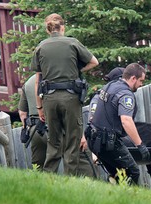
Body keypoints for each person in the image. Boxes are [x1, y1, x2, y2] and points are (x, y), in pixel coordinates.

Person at [32, 13, 99, 175]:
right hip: (70, 98)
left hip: (49, 99)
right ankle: (70, 180)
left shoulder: (41, 47)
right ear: (63, 27)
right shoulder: (72, 43)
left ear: (48, 30)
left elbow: (37, 80)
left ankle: (49, 179)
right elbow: (94, 62)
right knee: (72, 142)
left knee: (53, 142)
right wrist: (76, 70)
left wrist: (39, 107)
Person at [18, 74, 97, 178]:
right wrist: (80, 133)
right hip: (59, 128)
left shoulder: (28, 82)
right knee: (84, 164)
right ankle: (87, 190)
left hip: (36, 131)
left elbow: (22, 113)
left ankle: (40, 193)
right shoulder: (60, 77)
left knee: (39, 172)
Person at [85, 63, 150, 185]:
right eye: (141, 80)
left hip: (94, 139)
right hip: (107, 142)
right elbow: (126, 120)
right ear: (133, 78)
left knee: (117, 174)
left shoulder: (110, 86)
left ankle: (114, 199)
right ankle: (127, 202)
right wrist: (140, 145)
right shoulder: (126, 94)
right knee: (132, 172)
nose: (141, 84)